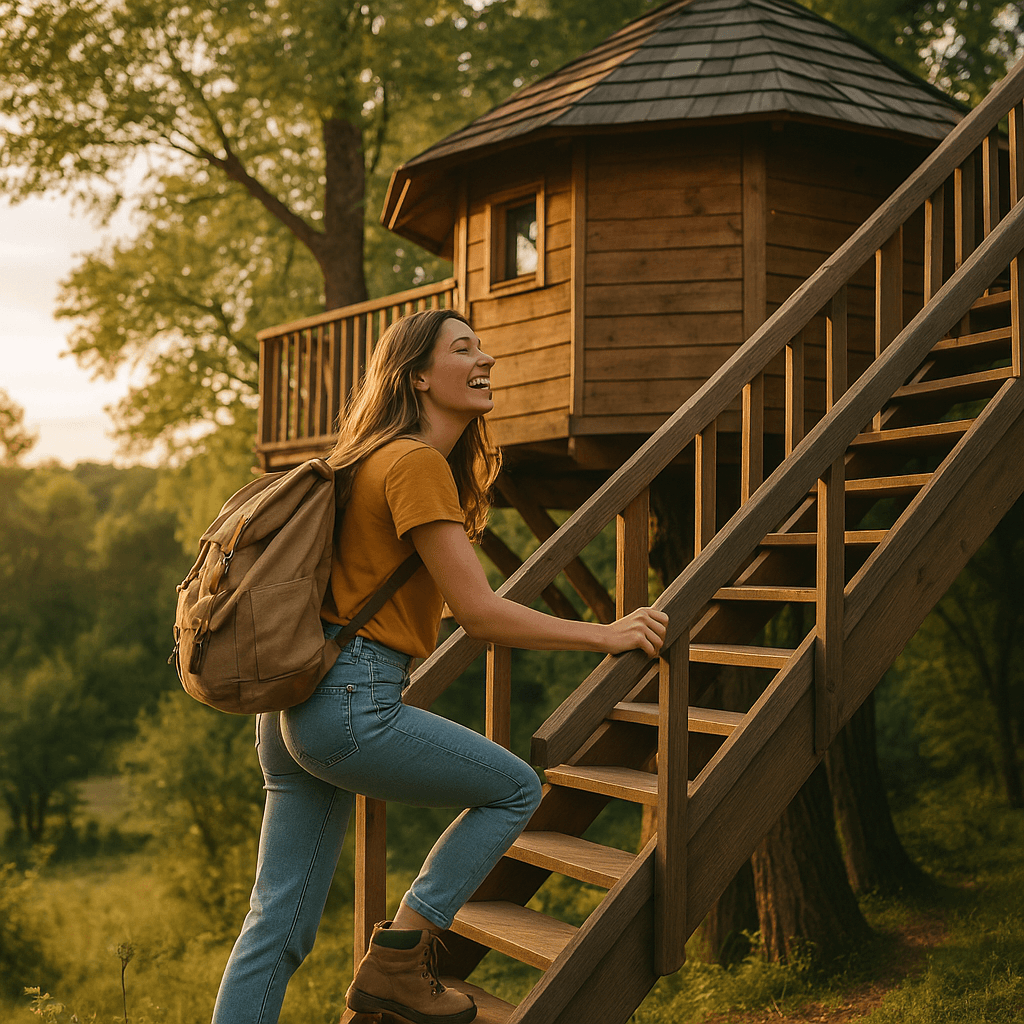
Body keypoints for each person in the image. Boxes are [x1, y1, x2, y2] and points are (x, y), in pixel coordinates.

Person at [211, 309, 668, 1024]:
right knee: (515, 789)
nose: (485, 359)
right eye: (464, 349)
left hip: (292, 708)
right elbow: (480, 614)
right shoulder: (416, 464)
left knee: (274, 925)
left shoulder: (367, 458)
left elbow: (426, 597)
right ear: (419, 375)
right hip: (351, 701)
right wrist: (604, 634)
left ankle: (377, 973)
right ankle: (399, 962)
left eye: (482, 346)